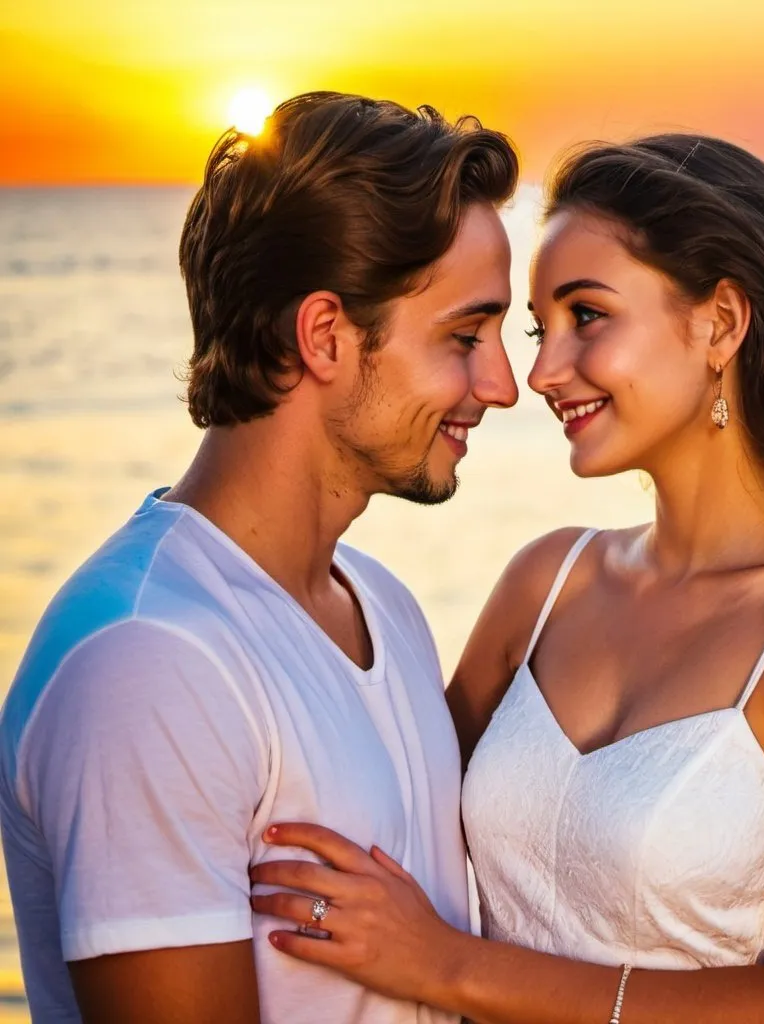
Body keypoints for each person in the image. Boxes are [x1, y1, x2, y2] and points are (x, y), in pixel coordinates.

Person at [249, 134, 764, 1024]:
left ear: (720, 323)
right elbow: (394, 817)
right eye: (538, 327)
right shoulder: (546, 583)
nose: (538, 373)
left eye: (587, 316)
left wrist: (448, 968)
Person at [0, 92, 520, 1023]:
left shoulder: (385, 610)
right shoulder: (149, 660)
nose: (503, 385)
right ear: (324, 336)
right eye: (464, 336)